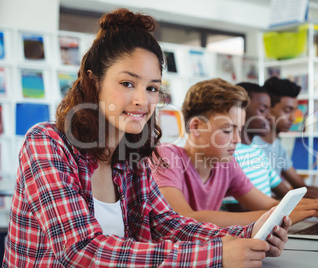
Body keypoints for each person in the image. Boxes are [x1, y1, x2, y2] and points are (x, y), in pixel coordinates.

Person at [3, 9, 291, 267]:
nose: (142, 100)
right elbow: (81, 250)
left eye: (153, 88)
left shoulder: (132, 158)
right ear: (93, 81)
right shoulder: (47, 142)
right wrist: (218, 255)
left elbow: (169, 224)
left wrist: (248, 234)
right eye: (127, 83)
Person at [151, 78, 318, 228]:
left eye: (239, 129)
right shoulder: (166, 157)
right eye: (227, 130)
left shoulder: (227, 165)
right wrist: (277, 215)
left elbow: (267, 204)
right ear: (196, 127)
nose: (236, 139)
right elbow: (185, 219)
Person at [253, 77, 318, 198]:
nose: (293, 118)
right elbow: (275, 196)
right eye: (287, 111)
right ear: (268, 108)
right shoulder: (254, 147)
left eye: (294, 111)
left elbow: (300, 187)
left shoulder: (278, 147)